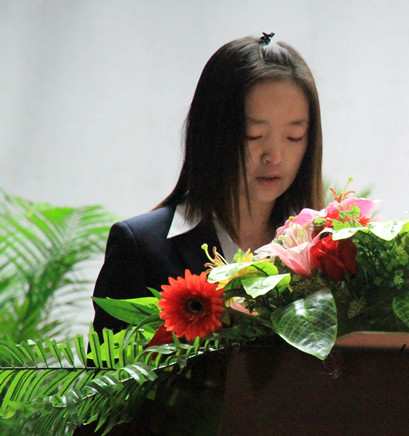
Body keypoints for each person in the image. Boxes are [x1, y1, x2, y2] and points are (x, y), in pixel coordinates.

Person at [91, 33, 324, 336]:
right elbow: (108, 365)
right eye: (253, 135)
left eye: (294, 136)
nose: (275, 156)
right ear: (212, 133)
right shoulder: (142, 248)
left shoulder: (326, 248)